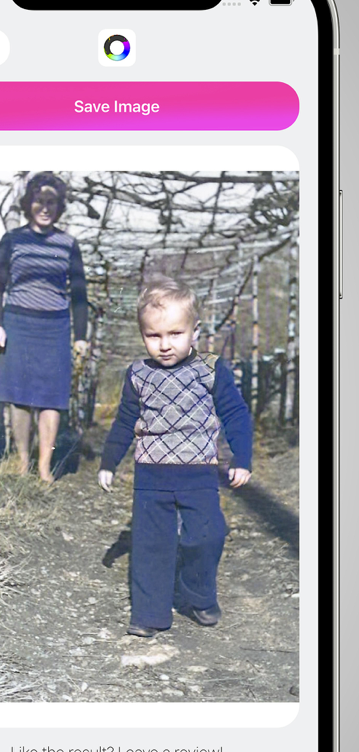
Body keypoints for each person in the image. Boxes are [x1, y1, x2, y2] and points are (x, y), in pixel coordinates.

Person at [98, 274, 252, 637]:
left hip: (199, 474)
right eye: (154, 335)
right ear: (143, 336)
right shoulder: (138, 375)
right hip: (151, 476)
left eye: (175, 334)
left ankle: (198, 594)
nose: (164, 345)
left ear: (194, 331)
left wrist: (241, 459)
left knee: (207, 535)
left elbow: (235, 415)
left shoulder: (211, 370)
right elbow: (124, 422)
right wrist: (108, 462)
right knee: (151, 545)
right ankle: (149, 614)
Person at [0, 173, 88, 482]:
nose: (45, 208)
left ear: (59, 206)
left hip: (55, 327)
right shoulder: (12, 240)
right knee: (20, 395)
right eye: (40, 201)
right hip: (18, 323)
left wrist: (81, 337)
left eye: (52, 202)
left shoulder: (68, 244)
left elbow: (79, 295)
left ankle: (44, 466)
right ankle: (23, 461)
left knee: (52, 397)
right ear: (28, 204)